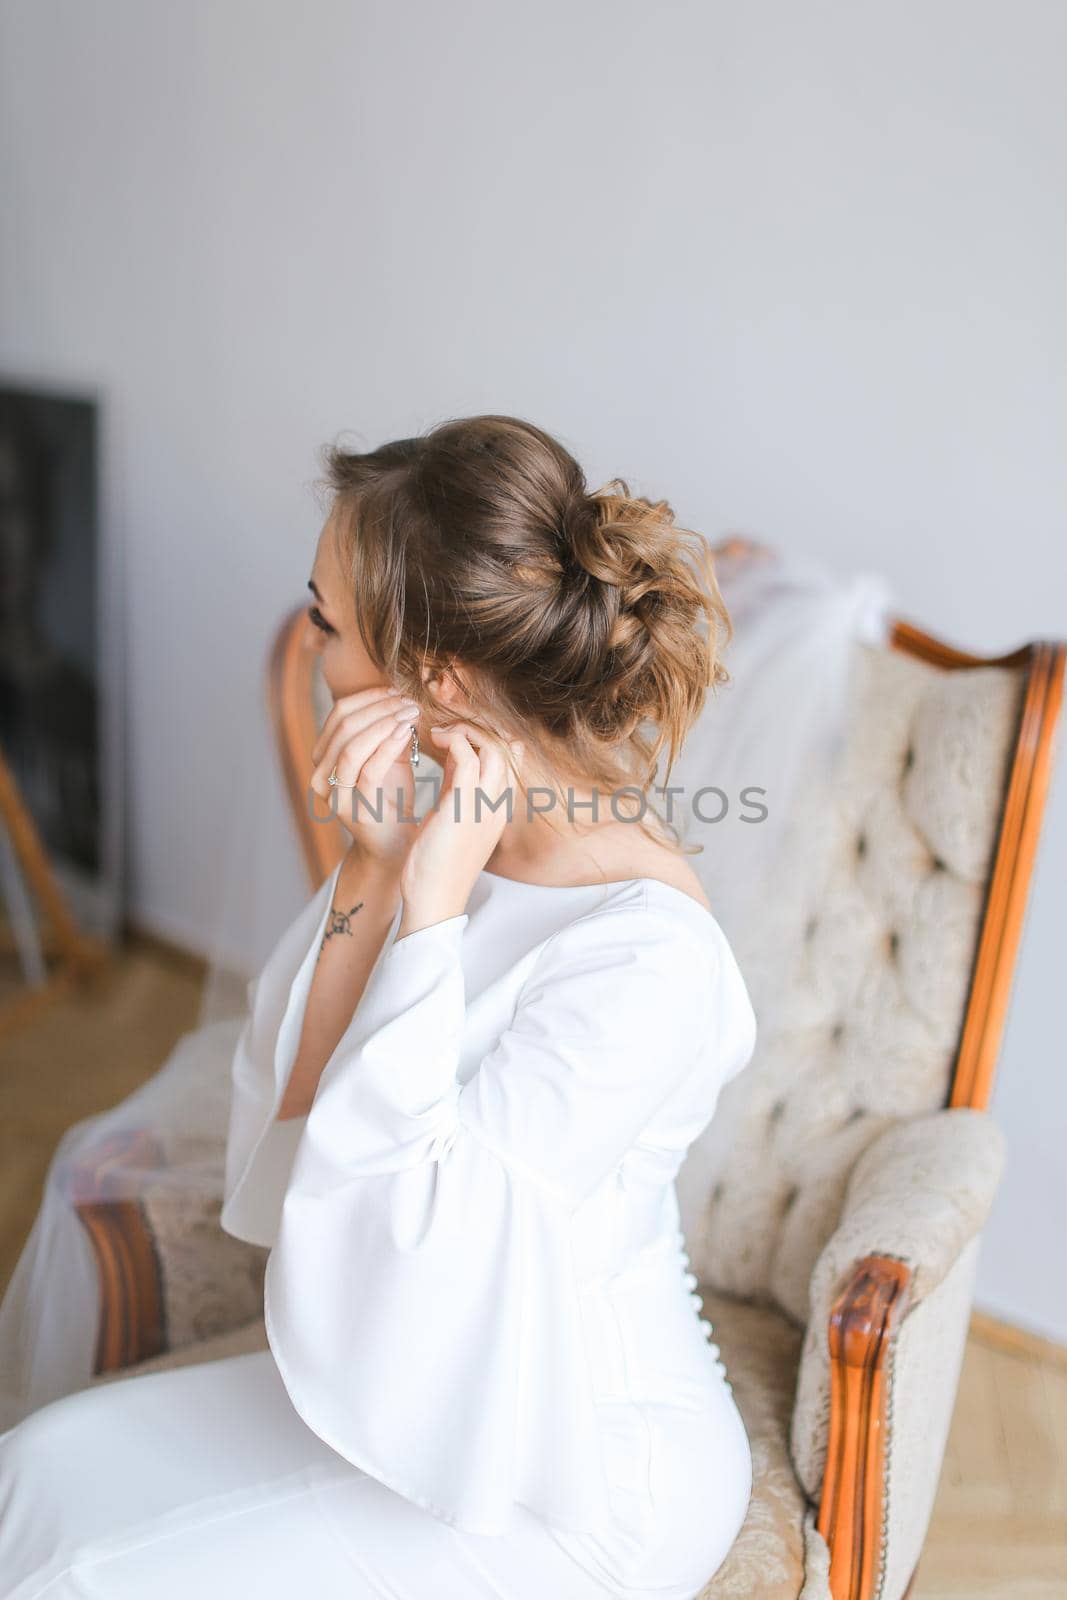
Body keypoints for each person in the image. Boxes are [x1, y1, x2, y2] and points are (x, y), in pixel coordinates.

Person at [0, 414, 763, 1599]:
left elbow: (423, 1232)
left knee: (85, 1577)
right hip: (419, 1369)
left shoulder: (648, 962)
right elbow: (302, 1122)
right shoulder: (446, 839)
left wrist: (435, 900)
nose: (311, 650)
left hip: (567, 1466)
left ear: (435, 680)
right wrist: (373, 866)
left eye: (325, 621)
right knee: (35, 1478)